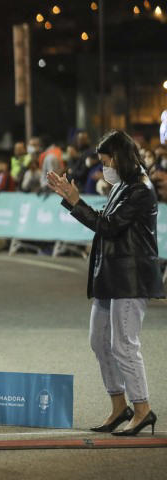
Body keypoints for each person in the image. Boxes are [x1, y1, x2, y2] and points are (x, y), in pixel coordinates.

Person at [47, 130, 163, 436]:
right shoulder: (122, 186)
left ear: (120, 157)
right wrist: (74, 201)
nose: (103, 166)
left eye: (106, 160)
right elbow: (105, 220)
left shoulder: (140, 190)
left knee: (124, 345)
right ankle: (118, 407)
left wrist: (74, 200)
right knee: (99, 342)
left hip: (130, 278)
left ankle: (142, 409)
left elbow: (108, 227)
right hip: (110, 276)